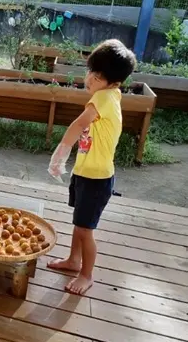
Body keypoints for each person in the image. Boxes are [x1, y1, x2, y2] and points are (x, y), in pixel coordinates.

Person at [47, 39, 136, 295]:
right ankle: (74, 261)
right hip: (85, 174)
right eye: (90, 72)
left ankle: (86, 274)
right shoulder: (105, 94)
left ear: (113, 82)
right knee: (80, 223)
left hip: (97, 180)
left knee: (86, 230)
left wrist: (60, 155)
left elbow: (77, 125)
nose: (89, 80)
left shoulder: (105, 98)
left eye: (96, 77)